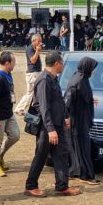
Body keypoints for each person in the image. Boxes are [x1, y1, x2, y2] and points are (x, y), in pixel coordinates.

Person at [25, 51, 82, 197]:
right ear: (57, 63)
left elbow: (57, 102)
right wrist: (50, 129)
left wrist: (64, 117)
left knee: (61, 154)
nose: (63, 65)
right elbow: (44, 107)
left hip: (58, 124)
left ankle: (62, 186)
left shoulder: (53, 78)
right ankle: (31, 186)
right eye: (62, 63)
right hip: (47, 126)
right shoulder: (44, 80)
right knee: (41, 155)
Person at [65, 57, 100, 185]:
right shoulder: (78, 80)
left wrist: (90, 100)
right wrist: (67, 117)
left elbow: (80, 96)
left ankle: (75, 172)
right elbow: (68, 100)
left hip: (81, 119)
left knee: (78, 147)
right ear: (87, 68)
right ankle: (86, 175)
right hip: (77, 121)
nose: (94, 72)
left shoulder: (81, 78)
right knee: (83, 147)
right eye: (92, 68)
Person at [15, 34, 43, 115]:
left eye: (41, 40)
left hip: (35, 73)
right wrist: (37, 51)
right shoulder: (30, 49)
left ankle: (32, 107)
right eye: (39, 41)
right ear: (34, 40)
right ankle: (19, 108)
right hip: (32, 73)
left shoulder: (34, 48)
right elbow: (33, 61)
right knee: (30, 93)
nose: (40, 42)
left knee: (35, 92)